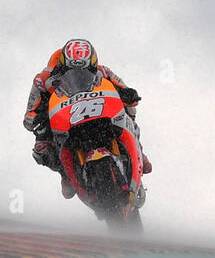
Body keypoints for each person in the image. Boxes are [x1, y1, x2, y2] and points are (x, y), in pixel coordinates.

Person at [23, 39, 151, 199]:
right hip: (65, 121)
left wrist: (128, 94)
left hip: (98, 112)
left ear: (92, 65)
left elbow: (128, 93)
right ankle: (65, 175)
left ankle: (139, 151)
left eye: (86, 70)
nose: (80, 76)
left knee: (128, 112)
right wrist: (40, 121)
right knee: (42, 150)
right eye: (72, 71)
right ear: (62, 68)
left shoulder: (103, 71)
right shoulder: (43, 81)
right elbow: (29, 116)